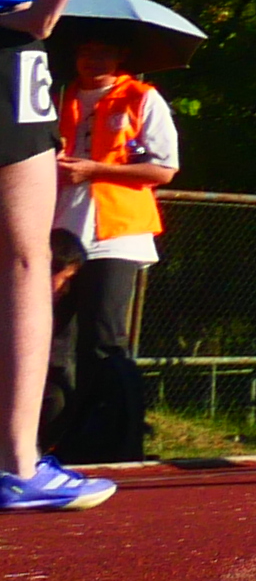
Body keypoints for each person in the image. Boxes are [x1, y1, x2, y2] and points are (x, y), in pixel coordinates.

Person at [44, 24, 177, 465]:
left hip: (114, 235)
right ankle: (46, 440)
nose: (93, 60)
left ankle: (115, 438)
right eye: (86, 51)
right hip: (55, 235)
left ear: (120, 57)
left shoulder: (142, 98)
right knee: (49, 341)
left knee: (102, 342)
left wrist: (94, 170)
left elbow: (163, 170)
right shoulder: (53, 96)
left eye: (104, 52)